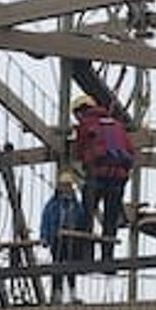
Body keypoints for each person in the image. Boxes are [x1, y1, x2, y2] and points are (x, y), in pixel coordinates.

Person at [70, 96, 136, 258]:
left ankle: (86, 256)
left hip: (97, 174)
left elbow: (79, 152)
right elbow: (130, 150)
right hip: (119, 177)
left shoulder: (86, 124)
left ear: (81, 111)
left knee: (87, 215)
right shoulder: (118, 126)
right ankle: (108, 257)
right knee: (111, 218)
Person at [40, 169, 88, 299]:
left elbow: (82, 220)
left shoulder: (75, 205)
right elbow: (46, 220)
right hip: (56, 237)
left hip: (71, 238)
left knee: (70, 265)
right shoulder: (53, 204)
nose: (66, 188)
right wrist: (44, 237)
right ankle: (57, 293)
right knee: (57, 264)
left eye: (68, 185)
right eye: (64, 185)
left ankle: (72, 292)